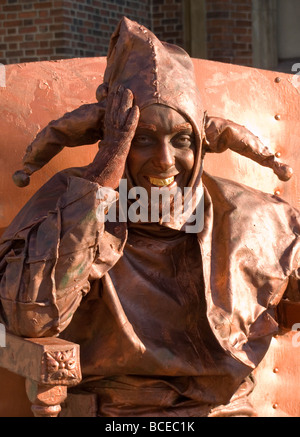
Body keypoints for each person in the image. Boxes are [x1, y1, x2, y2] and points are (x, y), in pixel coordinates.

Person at [0, 17, 299, 417]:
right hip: (114, 414)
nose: (164, 160)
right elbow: (31, 316)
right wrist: (103, 176)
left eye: (182, 140)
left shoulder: (257, 219)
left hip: (229, 410)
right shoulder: (72, 198)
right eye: (141, 139)